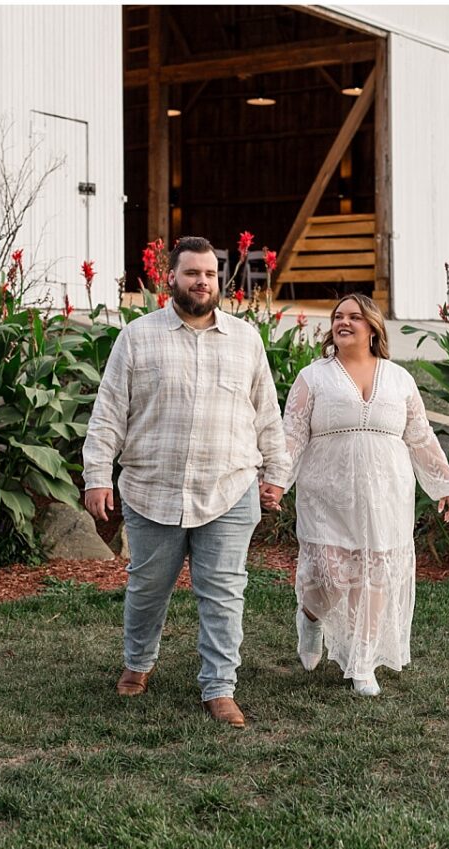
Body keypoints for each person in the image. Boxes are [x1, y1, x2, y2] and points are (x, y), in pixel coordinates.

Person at [82, 236, 293, 728]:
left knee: (223, 591)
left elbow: (267, 415)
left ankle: (219, 687)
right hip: (153, 488)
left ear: (220, 281)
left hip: (229, 486)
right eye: (192, 273)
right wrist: (97, 475)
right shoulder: (136, 337)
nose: (202, 281)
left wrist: (276, 475)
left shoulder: (246, 340)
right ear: (170, 279)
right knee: (148, 587)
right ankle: (137, 665)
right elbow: (108, 413)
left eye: (210, 274)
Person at [267, 294, 449, 695]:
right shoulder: (313, 377)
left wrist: (444, 482)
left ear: (372, 327)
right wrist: (275, 479)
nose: (344, 322)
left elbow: (420, 436)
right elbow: (292, 435)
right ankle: (310, 615)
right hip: (327, 492)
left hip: (387, 493)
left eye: (354, 317)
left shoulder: (400, 379)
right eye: (338, 316)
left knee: (376, 574)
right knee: (330, 573)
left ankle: (363, 662)